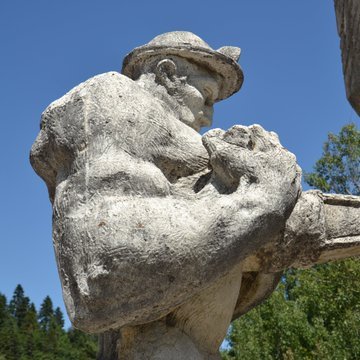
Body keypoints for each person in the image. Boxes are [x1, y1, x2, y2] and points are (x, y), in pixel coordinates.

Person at [30, 32, 301, 358]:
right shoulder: (114, 101)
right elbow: (101, 281)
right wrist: (261, 202)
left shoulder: (188, 165)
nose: (208, 115)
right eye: (206, 95)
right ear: (168, 73)